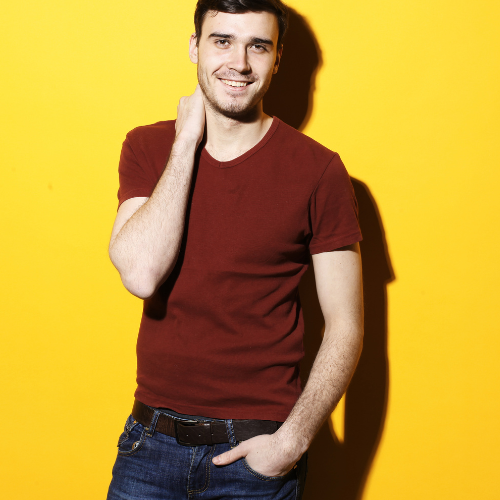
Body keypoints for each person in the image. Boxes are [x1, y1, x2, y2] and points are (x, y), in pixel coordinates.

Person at [106, 1, 364, 498]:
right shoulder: (148, 146)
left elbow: (346, 325)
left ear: (277, 58)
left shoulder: (319, 171)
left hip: (256, 452)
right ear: (195, 47)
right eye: (222, 41)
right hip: (149, 442)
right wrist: (186, 141)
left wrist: (291, 442)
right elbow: (140, 274)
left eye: (258, 46)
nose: (239, 63)